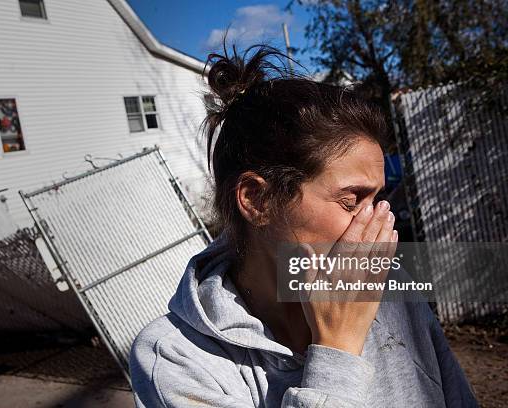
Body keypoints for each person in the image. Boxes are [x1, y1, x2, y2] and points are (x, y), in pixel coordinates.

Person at [129, 44, 478, 407]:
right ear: (257, 201)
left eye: (377, 199)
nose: (377, 224)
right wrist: (337, 352)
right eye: (352, 200)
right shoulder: (175, 359)